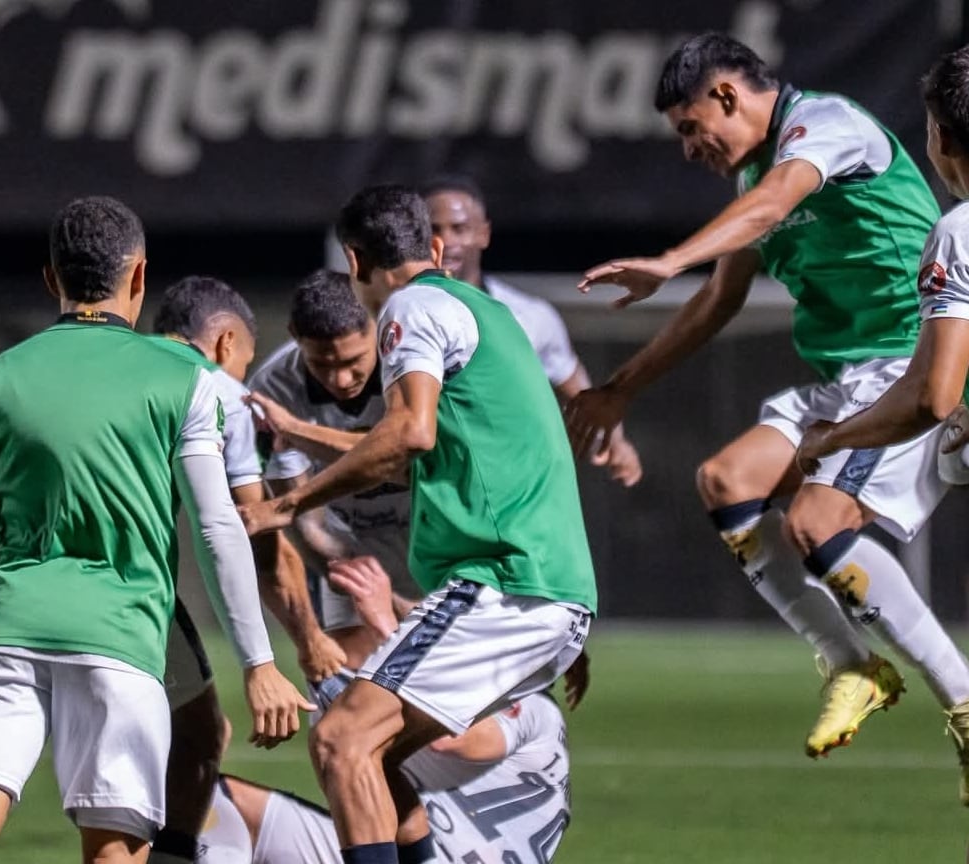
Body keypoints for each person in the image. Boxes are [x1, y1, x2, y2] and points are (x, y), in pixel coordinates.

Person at [567, 32, 969, 773]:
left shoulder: (826, 125)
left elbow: (778, 200)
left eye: (691, 128)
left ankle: (963, 698)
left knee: (817, 521)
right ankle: (852, 663)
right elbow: (720, 300)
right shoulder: (752, 177)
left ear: (727, 95)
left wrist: (669, 258)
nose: (689, 148)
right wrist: (620, 389)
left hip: (909, 360)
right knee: (727, 482)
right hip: (849, 373)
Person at [0, 196, 311, 864]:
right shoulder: (185, 384)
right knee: (115, 853)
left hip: (3, 634)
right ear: (139, 276)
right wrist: (259, 663)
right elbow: (216, 525)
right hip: (121, 642)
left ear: (52, 280)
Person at [240, 184, 593, 864]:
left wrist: (284, 505)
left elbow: (407, 434)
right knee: (375, 753)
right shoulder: (485, 310)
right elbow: (430, 453)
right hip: (544, 583)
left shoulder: (410, 308)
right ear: (433, 247)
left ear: (354, 261)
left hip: (502, 584)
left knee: (340, 739)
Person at [793, 45, 969, 802]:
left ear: (938, 138)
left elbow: (929, 396)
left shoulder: (958, 234)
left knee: (816, 516)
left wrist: (834, 436)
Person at [200, 556, 579, 864]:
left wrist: (384, 624)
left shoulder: (532, 706)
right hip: (416, 848)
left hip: (442, 855)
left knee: (209, 797)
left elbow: (455, 739)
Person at [148, 274, 342, 863]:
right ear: (227, 342)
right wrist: (306, 645)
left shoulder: (114, 369)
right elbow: (252, 531)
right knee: (202, 736)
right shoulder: (222, 396)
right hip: (118, 586)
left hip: (3, 581)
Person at [246, 269, 418, 686]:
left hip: (432, 541)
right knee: (347, 694)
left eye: (353, 361)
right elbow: (305, 521)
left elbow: (409, 457)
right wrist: (373, 592)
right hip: (348, 548)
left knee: (450, 693)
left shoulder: (416, 363)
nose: (341, 379)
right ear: (294, 335)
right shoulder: (275, 387)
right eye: (323, 364)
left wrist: (299, 430)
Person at [421, 175, 643, 486]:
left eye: (459, 228)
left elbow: (576, 384)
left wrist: (616, 443)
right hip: (430, 485)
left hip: (511, 486)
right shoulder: (403, 315)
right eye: (433, 229)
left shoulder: (528, 316)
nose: (445, 241)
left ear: (484, 234)